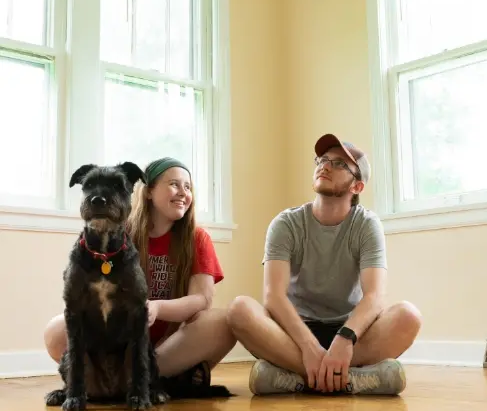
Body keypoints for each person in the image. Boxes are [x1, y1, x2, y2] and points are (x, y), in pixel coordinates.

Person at [227, 133, 422, 396]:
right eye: (322, 159)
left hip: (350, 331)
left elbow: (375, 296)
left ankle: (293, 378)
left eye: (340, 164)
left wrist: (345, 338)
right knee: (239, 310)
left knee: (408, 316)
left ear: (357, 187)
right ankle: (352, 379)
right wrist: (308, 346)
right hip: (295, 331)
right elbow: (274, 296)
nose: (325, 166)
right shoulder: (286, 223)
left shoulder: (366, 224)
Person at [44, 157, 236, 395]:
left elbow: (202, 300)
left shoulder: (198, 238)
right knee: (55, 331)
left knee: (224, 322)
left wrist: (156, 308)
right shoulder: (119, 232)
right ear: (148, 191)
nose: (183, 193)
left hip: (170, 345)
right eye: (174, 184)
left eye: (188, 187)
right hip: (118, 343)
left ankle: (143, 378)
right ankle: (144, 381)